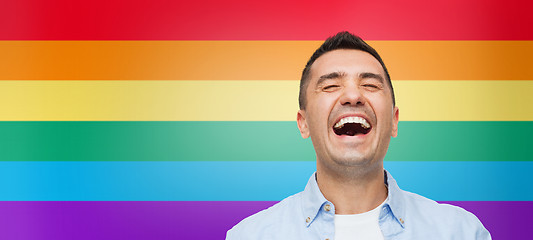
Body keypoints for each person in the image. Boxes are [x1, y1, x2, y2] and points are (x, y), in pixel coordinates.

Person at [226, 31, 491, 240]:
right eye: (330, 85)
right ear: (303, 123)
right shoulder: (250, 236)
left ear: (394, 121)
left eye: (370, 85)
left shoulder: (461, 232)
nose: (353, 96)